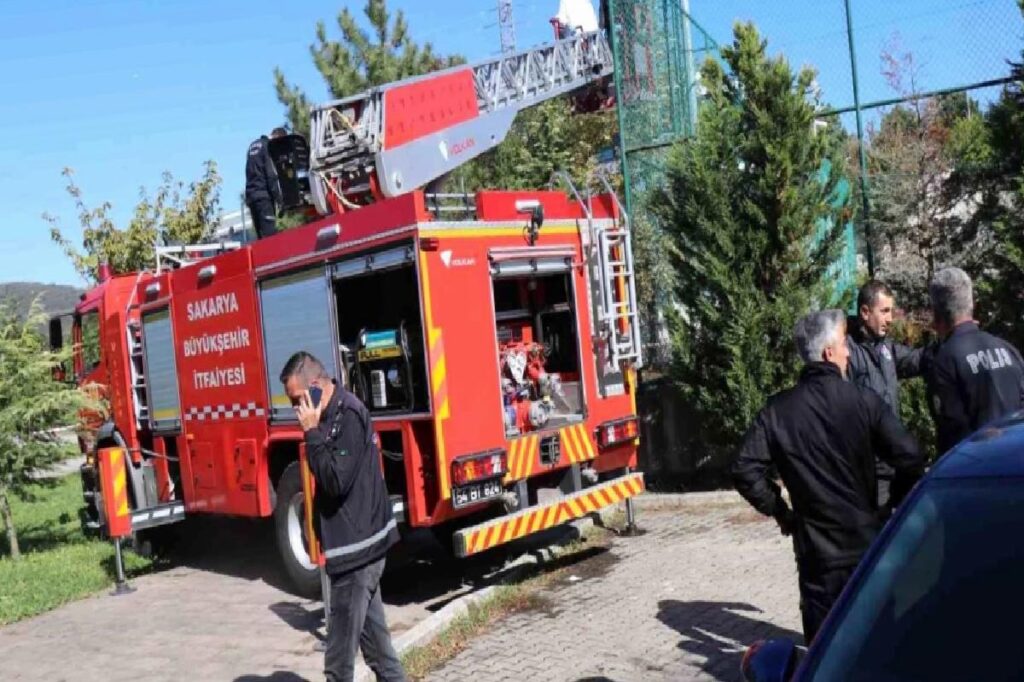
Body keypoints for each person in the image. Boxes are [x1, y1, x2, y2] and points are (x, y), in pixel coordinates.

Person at [732, 309, 924, 643]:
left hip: (817, 557)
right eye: (844, 344)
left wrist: (782, 513)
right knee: (875, 643)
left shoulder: (778, 411)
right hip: (866, 546)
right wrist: (892, 506)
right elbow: (911, 456)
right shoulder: (863, 401)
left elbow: (744, 468)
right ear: (828, 353)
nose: (850, 352)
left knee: (824, 652)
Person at [280, 352, 406, 682]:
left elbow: (335, 480)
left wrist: (312, 433)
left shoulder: (347, 415)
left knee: (338, 665)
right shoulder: (328, 417)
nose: (297, 410)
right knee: (381, 655)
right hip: (356, 551)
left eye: (298, 399)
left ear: (318, 386)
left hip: (358, 555)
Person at [923, 267, 1024, 455]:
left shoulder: (945, 361)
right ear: (972, 304)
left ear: (937, 314)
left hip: (975, 471)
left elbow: (952, 432)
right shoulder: (1008, 350)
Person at [846, 280, 923, 510]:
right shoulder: (848, 352)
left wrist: (950, 343)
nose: (890, 319)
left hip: (894, 463)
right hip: (869, 471)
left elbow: (914, 359)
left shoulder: (885, 347)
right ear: (865, 312)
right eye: (885, 311)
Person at [245, 127, 286, 239]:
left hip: (251, 197)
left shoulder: (253, 146)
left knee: (261, 239)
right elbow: (271, 176)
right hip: (264, 199)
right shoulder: (268, 147)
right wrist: (280, 201)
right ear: (278, 138)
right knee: (270, 238)